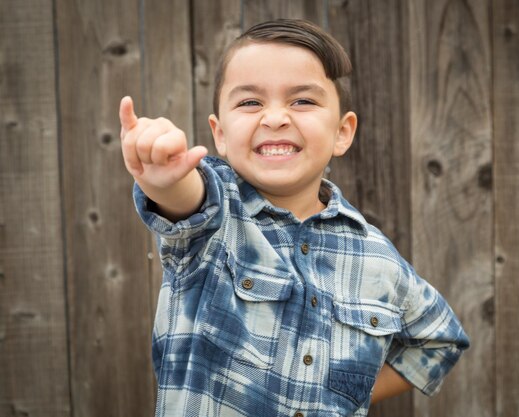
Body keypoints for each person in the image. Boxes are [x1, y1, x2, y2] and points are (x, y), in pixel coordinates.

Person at [119, 18, 469, 417]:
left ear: (342, 132)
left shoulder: (375, 257)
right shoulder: (216, 215)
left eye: (302, 101)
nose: (274, 118)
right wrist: (163, 180)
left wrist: (341, 394)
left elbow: (440, 339)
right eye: (250, 102)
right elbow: (185, 200)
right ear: (220, 134)